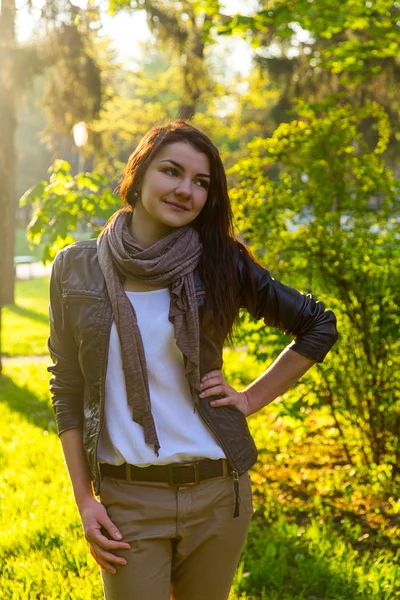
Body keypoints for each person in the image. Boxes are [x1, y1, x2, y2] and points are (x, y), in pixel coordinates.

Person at [48, 120, 338, 600]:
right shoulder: (76, 268)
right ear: (138, 176)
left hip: (219, 491)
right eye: (171, 171)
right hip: (129, 498)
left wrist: (249, 398)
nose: (185, 189)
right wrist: (84, 498)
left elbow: (317, 325)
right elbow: (67, 387)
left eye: (201, 182)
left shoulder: (220, 261)